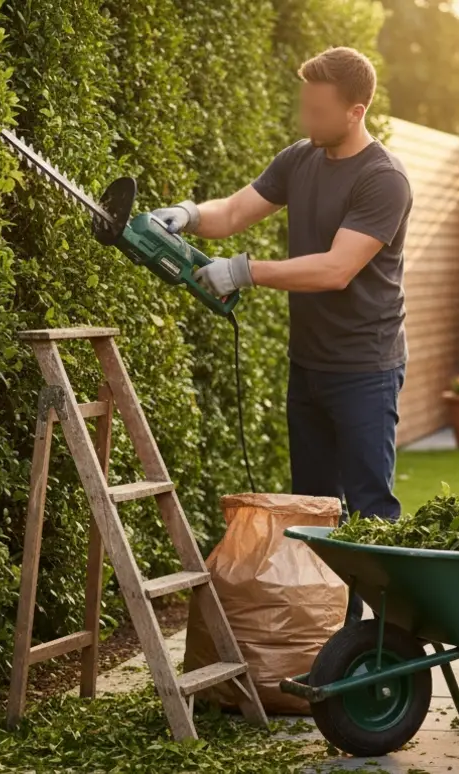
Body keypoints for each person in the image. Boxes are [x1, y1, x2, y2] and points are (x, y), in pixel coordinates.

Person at [153, 47, 413, 627]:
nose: (306, 120)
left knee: (371, 511)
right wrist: (190, 215)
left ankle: (387, 645)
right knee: (312, 508)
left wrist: (247, 270)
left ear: (355, 111)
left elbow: (335, 269)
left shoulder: (383, 179)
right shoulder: (301, 158)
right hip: (310, 366)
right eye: (305, 106)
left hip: (366, 369)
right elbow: (236, 212)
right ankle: (323, 636)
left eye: (318, 111)